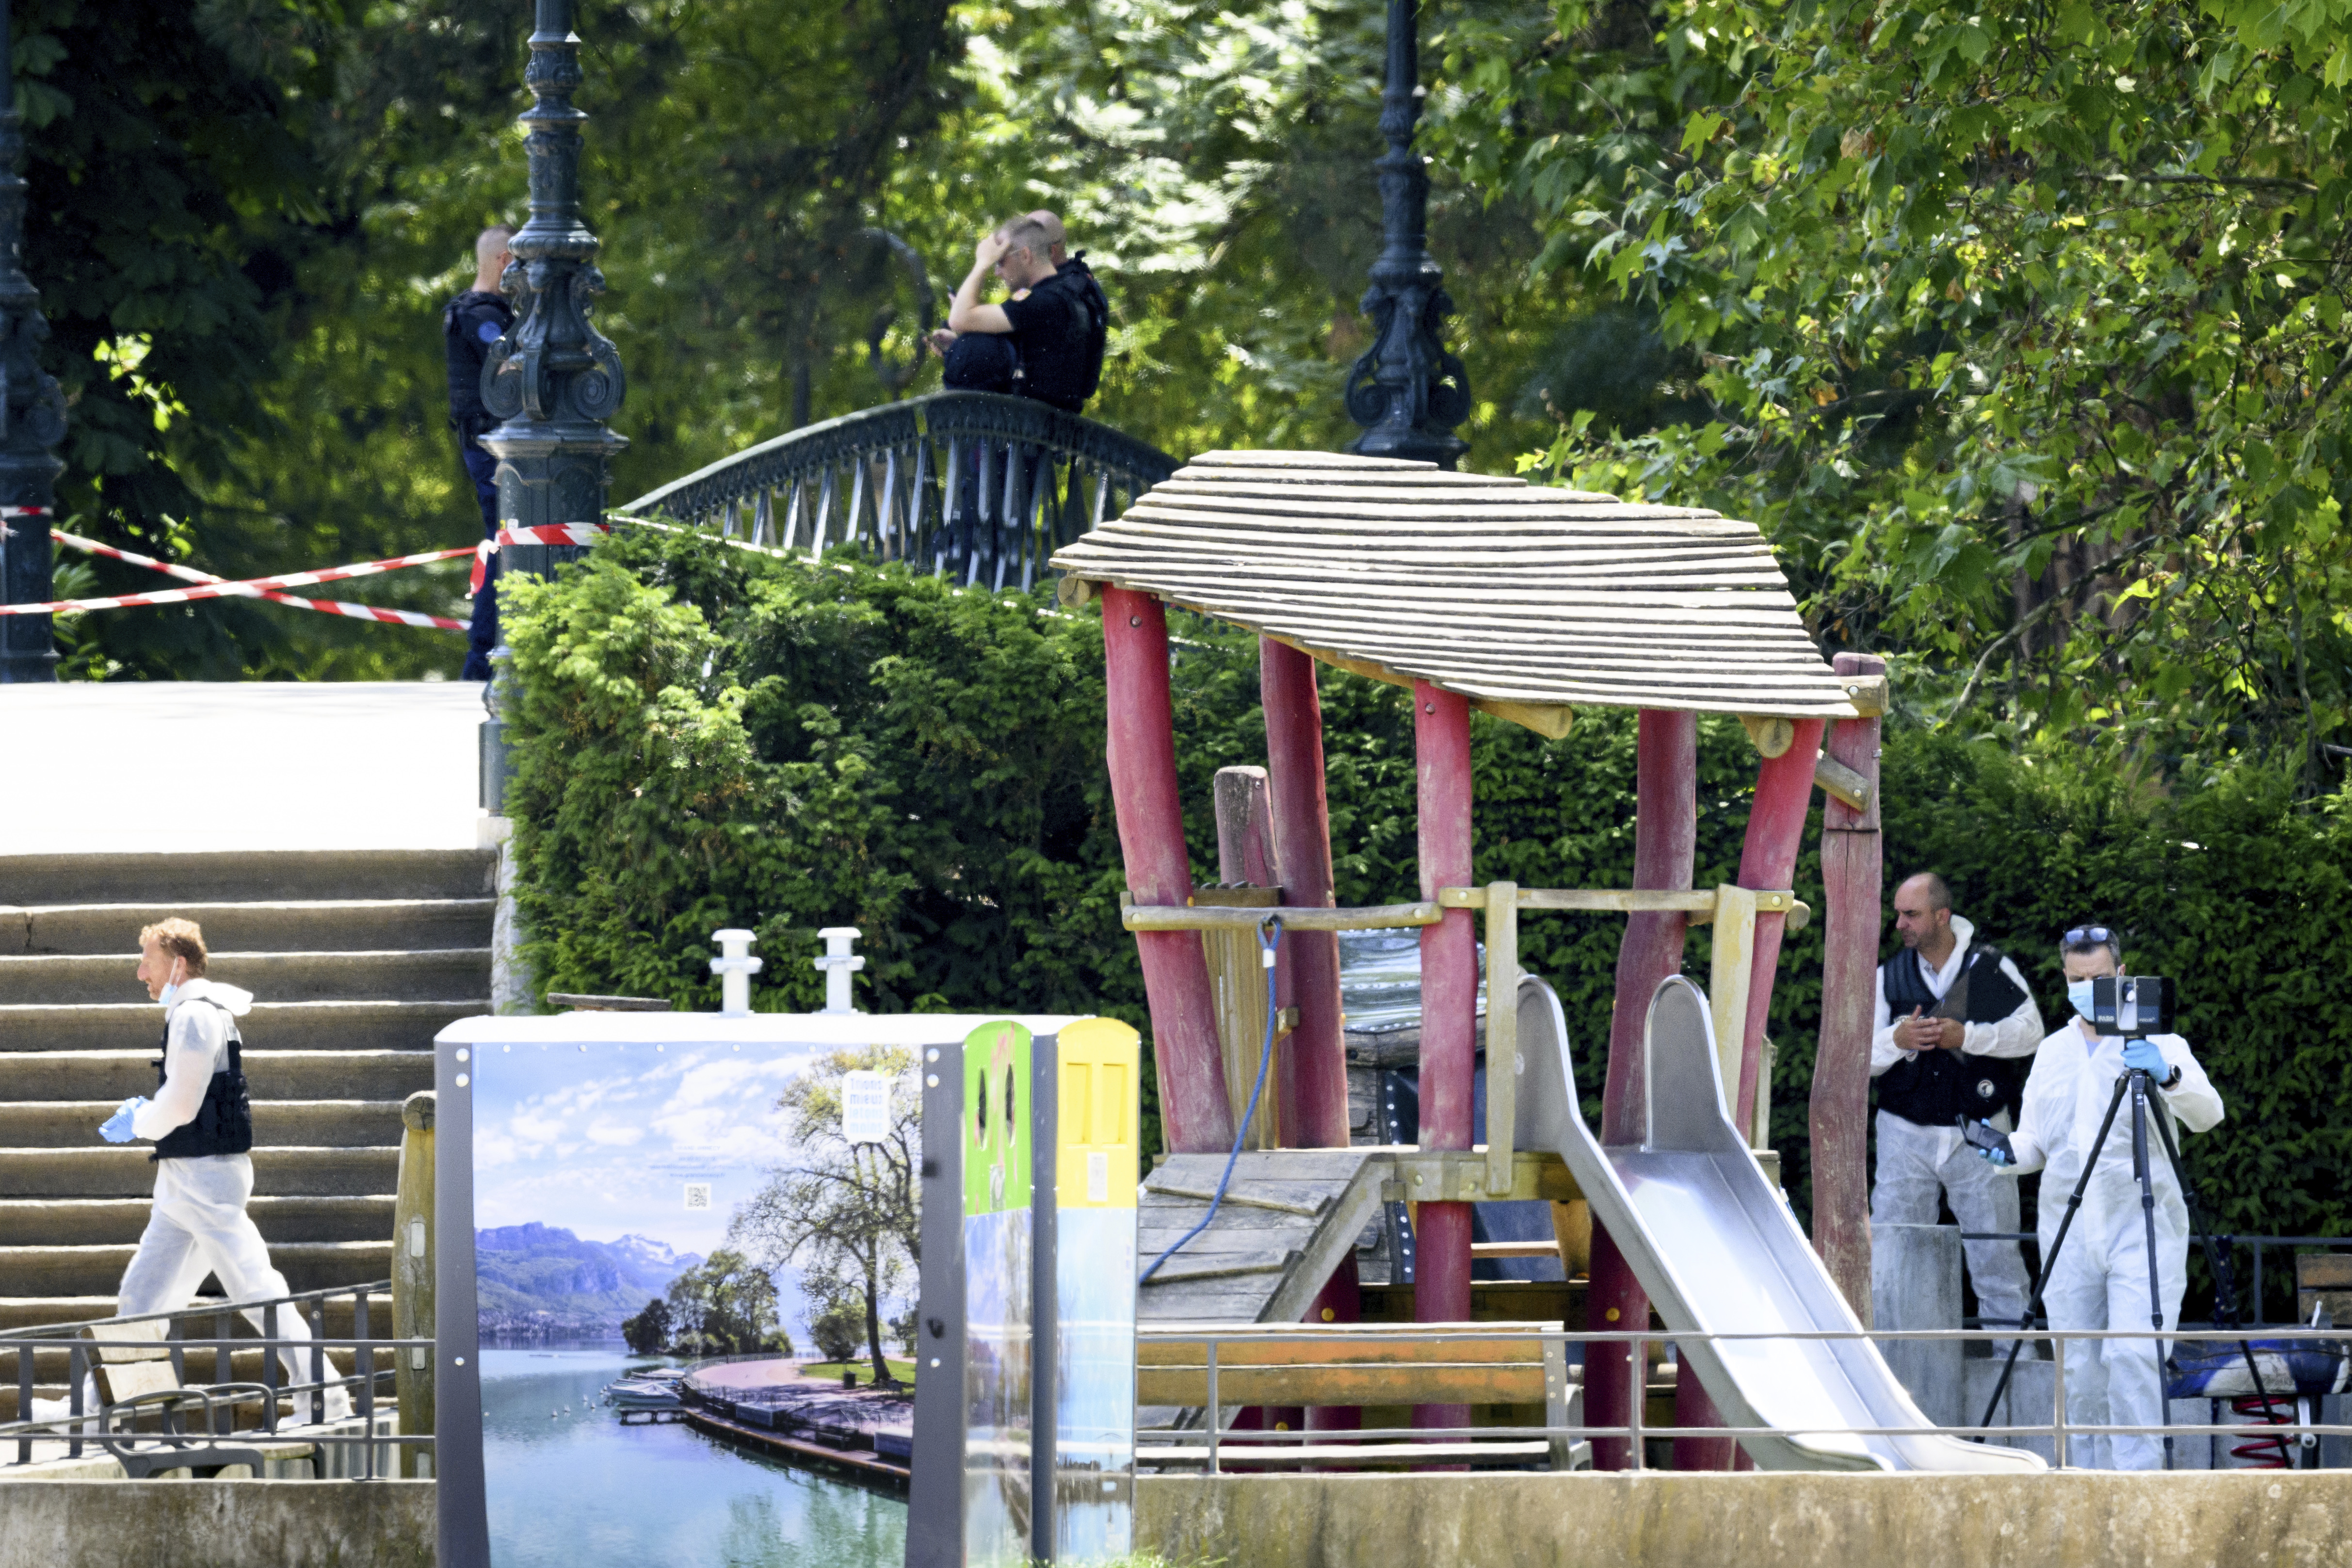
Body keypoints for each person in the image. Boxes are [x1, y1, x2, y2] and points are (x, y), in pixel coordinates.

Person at [1978, 924, 2223, 1471]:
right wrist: (2000, 1152)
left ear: (2120, 973)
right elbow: (2036, 1141)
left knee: (2134, 1352)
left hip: (2143, 1220)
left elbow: (2208, 1114)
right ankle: (2083, 1477)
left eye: (2097, 977)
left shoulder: (2159, 1042)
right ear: (2064, 977)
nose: (2086, 987)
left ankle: (2137, 1480)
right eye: (2075, 978)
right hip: (2066, 1227)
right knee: (2078, 1364)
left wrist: (2167, 1074)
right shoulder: (2052, 1051)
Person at [98, 919, 348, 1423]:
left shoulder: (192, 1015)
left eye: (149, 958)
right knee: (142, 1298)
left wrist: (141, 1119)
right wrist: (149, 1114)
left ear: (179, 962)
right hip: (188, 1178)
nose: (140, 970)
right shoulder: (202, 1012)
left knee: (257, 1291)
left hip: (203, 1177)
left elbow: (184, 1101)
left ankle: (325, 1399)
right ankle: (95, 1408)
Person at [1868, 871, 2043, 1343]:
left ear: (1940, 916)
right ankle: (1890, 1370)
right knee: (1893, 1251)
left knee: (1997, 1257)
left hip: (1982, 1127)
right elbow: (1856, 1057)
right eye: (1898, 912)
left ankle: (2013, 1370)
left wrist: (1970, 1036)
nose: (1899, 922)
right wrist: (1896, 1039)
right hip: (1904, 1130)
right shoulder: (1888, 975)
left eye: (1911, 913)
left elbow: (2032, 1032)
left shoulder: (1989, 965)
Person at [928, 214, 1105, 413]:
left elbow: (959, 319)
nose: (997, 272)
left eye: (1000, 261)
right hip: (1047, 431)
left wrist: (983, 263)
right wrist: (959, 346)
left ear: (1025, 256)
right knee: (970, 348)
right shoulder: (1058, 295)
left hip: (1032, 435)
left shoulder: (1042, 300)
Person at [444, 226, 516, 682]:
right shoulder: (480, 316)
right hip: (494, 450)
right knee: (506, 548)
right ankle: (483, 660)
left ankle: (488, 658)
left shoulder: (474, 312)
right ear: (505, 261)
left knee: (508, 545)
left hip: (493, 447)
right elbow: (508, 363)